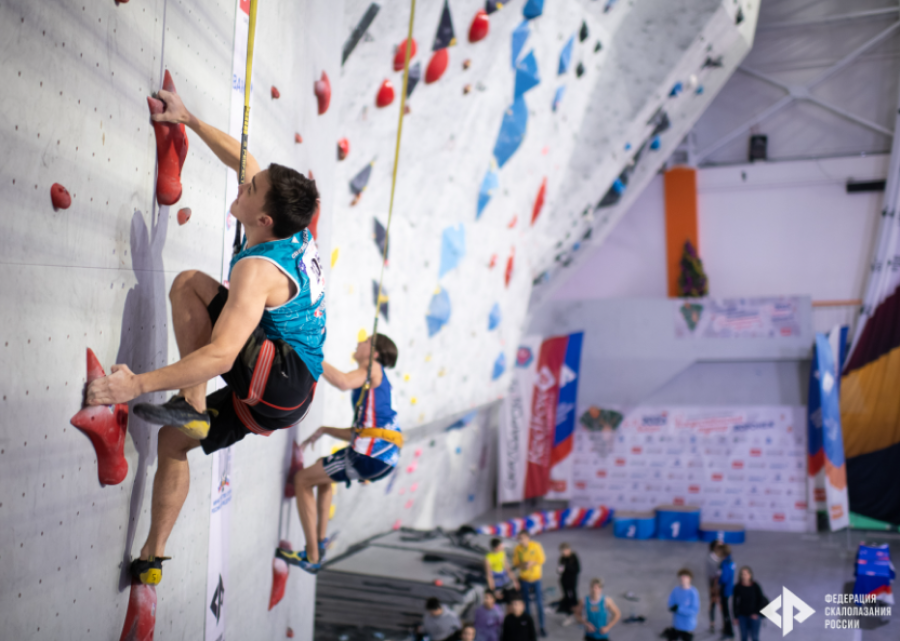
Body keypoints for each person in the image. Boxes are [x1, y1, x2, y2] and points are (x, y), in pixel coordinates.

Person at [85, 87, 323, 586]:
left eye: (251, 189)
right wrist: (188, 119)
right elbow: (245, 160)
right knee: (174, 441)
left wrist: (135, 385)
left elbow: (221, 357)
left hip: (280, 379)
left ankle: (190, 403)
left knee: (189, 284)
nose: (244, 183)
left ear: (264, 220)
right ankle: (151, 559)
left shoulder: (258, 269)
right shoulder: (289, 227)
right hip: (290, 395)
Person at [277, 333, 401, 572]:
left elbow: (343, 382)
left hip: (371, 455)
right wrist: (326, 430)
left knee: (302, 480)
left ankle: (312, 556)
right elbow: (363, 432)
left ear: (374, 353)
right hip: (381, 455)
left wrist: (310, 353)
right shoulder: (380, 384)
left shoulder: (373, 368)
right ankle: (320, 542)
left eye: (366, 341)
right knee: (323, 471)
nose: (359, 342)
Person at [512, 531, 547, 637]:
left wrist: (532, 563)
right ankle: (528, 626)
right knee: (526, 604)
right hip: (524, 579)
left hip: (536, 579)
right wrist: (523, 565)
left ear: (527, 537)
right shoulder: (518, 549)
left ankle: (542, 627)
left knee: (539, 604)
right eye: (519, 539)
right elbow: (515, 563)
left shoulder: (536, 546)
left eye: (522, 538)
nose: (521, 541)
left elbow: (542, 559)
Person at [732, 566, 767, 641]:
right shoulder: (738, 587)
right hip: (742, 616)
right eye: (742, 574)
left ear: (750, 575)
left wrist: (756, 613)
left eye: (745, 574)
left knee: (755, 637)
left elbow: (761, 600)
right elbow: (735, 602)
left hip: (754, 616)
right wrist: (735, 617)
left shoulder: (755, 586)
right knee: (744, 637)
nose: (744, 576)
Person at [665, 569, 701, 641]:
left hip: (688, 626)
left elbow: (694, 610)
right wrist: (671, 607)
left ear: (689, 579)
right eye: (681, 577)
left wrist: (679, 608)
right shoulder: (676, 590)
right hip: (677, 625)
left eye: (685, 577)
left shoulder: (693, 592)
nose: (682, 579)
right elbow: (671, 602)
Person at [717, 544, 736, 639]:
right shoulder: (731, 561)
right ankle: (728, 630)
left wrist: (718, 581)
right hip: (730, 588)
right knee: (727, 611)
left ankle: (729, 631)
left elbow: (724, 578)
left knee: (725, 612)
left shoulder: (724, 563)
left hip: (725, 589)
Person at [557, 542, 581, 615]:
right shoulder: (562, 558)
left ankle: (576, 608)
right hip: (564, 580)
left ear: (569, 550)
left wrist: (567, 566)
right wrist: (559, 570)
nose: (564, 553)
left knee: (573, 594)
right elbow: (560, 569)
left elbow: (577, 569)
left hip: (572, 579)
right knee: (566, 595)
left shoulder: (574, 557)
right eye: (562, 551)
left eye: (565, 551)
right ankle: (568, 610)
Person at [706, 541, 722, 633]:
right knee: (713, 603)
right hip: (713, 585)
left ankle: (724, 623)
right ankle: (712, 623)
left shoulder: (723, 556)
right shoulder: (710, 558)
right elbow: (711, 574)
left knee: (722, 604)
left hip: (721, 584)